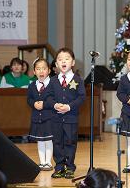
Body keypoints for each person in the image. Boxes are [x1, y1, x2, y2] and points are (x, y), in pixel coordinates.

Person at [50, 48, 86, 179]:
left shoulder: (77, 79)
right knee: (57, 142)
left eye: (66, 59)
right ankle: (59, 166)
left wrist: (69, 107)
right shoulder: (52, 80)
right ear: (56, 64)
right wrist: (54, 104)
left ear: (73, 62)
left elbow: (82, 97)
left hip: (71, 118)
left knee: (70, 141)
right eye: (60, 59)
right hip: (56, 118)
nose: (63, 61)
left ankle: (70, 167)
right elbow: (48, 97)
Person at [27, 58, 53, 171]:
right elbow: (29, 99)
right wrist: (34, 104)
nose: (41, 71)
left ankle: (48, 162)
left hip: (49, 118)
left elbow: (55, 100)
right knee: (40, 140)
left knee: (49, 140)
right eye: (38, 69)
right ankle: (42, 162)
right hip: (37, 118)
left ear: (49, 70)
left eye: (44, 68)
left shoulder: (53, 84)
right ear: (34, 71)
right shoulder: (32, 85)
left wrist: (45, 104)